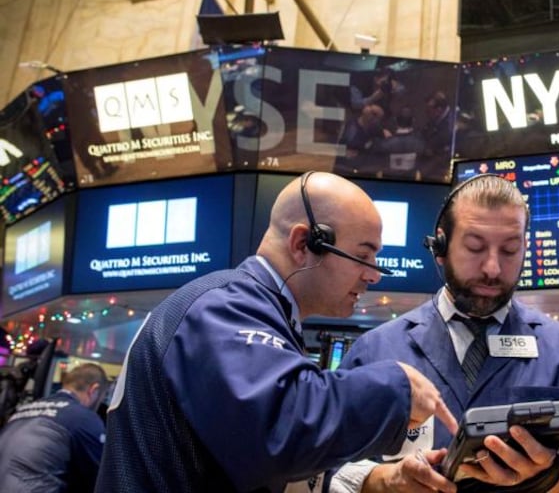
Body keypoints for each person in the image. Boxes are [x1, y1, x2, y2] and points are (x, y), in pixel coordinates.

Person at [96, 171, 457, 492]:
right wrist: (397, 387)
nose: (374, 274)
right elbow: (279, 430)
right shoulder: (222, 306)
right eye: (364, 255)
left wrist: (381, 481)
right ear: (303, 244)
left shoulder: (256, 313)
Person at [331, 174, 559, 493]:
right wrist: (381, 481)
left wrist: (551, 482)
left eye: (510, 250)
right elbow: (322, 466)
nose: (492, 269)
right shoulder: (375, 349)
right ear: (440, 246)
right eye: (474, 247)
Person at [0, 363, 109, 493]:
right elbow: (100, 478)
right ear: (93, 390)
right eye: (103, 396)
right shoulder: (83, 417)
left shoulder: (21, 412)